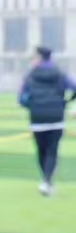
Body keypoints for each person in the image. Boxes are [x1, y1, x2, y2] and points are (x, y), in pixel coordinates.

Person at [18, 45, 76, 196]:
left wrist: (32, 106)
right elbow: (74, 88)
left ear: (39, 58)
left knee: (41, 151)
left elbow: (22, 99)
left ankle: (46, 181)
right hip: (56, 117)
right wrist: (66, 102)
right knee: (52, 151)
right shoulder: (60, 73)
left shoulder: (30, 75)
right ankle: (47, 182)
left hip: (37, 118)